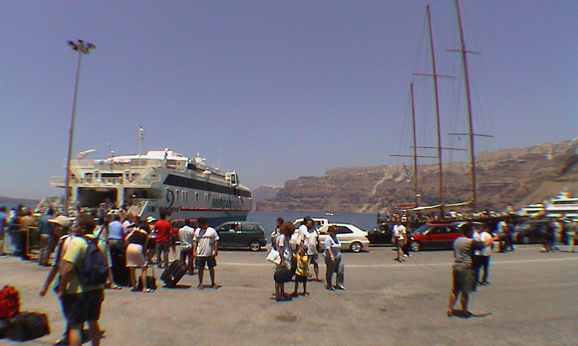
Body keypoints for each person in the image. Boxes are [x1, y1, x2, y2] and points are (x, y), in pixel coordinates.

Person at [58, 213, 107, 346]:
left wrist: (62, 288)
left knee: (75, 326)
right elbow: (105, 265)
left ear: (83, 228)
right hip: (96, 289)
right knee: (93, 322)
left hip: (78, 291)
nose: (73, 228)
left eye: (76, 226)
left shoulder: (77, 243)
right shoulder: (100, 244)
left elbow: (67, 268)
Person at [447, 222, 498, 318]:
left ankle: (450, 309)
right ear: (469, 232)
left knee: (455, 290)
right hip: (465, 267)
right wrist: (494, 239)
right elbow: (484, 244)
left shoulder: (457, 240)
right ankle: (464, 311)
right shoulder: (469, 242)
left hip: (456, 266)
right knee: (464, 291)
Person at [192, 217, 219, 289]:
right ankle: (200, 283)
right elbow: (195, 242)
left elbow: (215, 241)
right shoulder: (197, 231)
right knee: (200, 269)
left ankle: (213, 283)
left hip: (209, 253)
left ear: (204, 223)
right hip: (200, 253)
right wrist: (194, 251)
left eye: (199, 224)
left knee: (211, 268)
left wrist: (215, 251)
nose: (198, 225)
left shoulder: (212, 231)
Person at [124, 222, 150, 292]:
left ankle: (134, 287)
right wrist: (146, 257)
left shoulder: (134, 231)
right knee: (143, 268)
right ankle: (144, 288)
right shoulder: (146, 235)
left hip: (129, 247)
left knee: (131, 268)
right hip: (138, 247)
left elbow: (126, 239)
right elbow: (145, 247)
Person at [297, 216, 322, 281]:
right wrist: (300, 249)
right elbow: (301, 241)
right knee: (306, 265)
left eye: (310, 223)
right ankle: (306, 276)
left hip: (314, 251)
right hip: (307, 251)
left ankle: (317, 276)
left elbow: (317, 239)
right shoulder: (305, 232)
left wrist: (319, 246)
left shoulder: (315, 231)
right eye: (308, 223)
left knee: (316, 264)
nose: (309, 225)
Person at [274, 221, 294, 301]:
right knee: (279, 277)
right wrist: (282, 261)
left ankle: (282, 292)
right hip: (283, 259)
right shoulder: (282, 237)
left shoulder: (285, 237)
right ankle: (278, 294)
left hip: (286, 258)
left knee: (282, 277)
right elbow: (280, 249)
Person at [324, 225, 345, 291]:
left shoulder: (335, 237)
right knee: (330, 271)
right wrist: (331, 256)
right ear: (331, 231)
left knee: (341, 270)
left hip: (338, 257)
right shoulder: (328, 238)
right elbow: (328, 248)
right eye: (335, 231)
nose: (336, 233)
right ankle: (329, 285)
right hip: (331, 258)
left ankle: (339, 284)